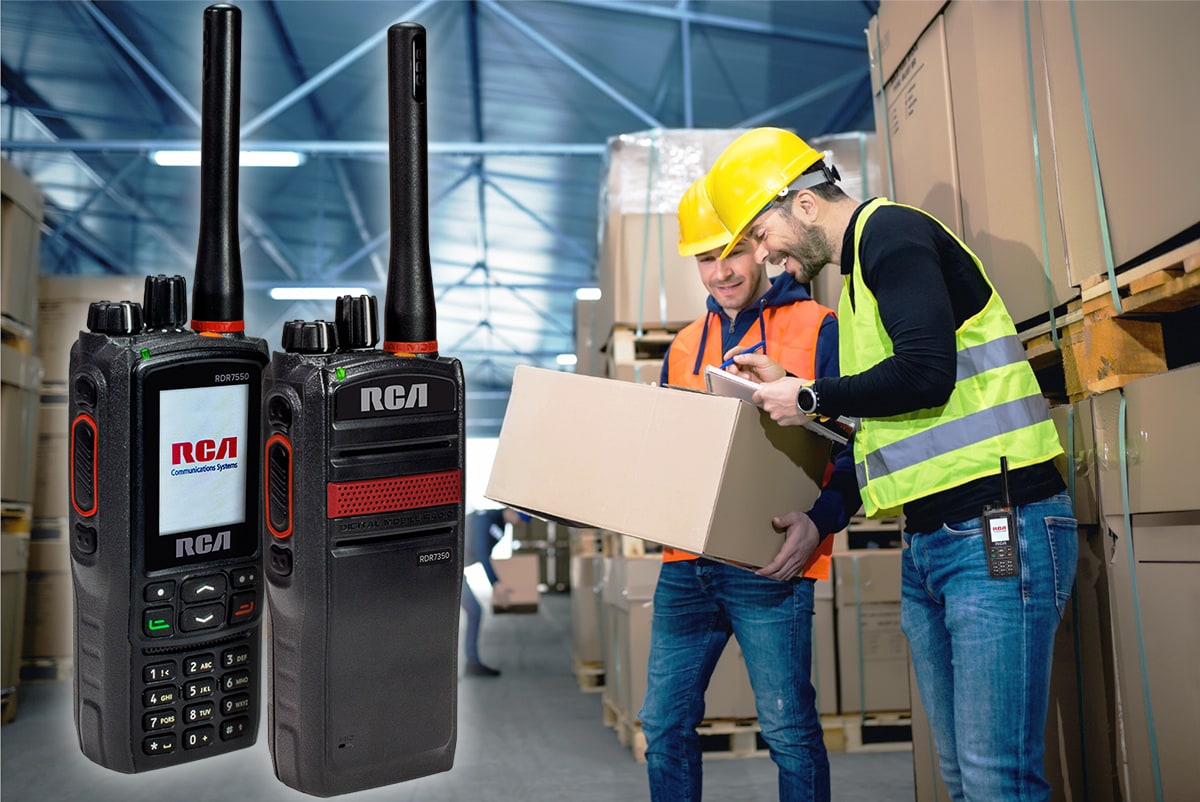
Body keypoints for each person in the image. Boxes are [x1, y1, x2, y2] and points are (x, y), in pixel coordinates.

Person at [706, 127, 1077, 801]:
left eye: (762, 234)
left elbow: (927, 374)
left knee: (998, 782)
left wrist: (812, 393)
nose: (766, 256)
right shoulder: (856, 282)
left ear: (806, 206)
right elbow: (888, 413)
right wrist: (795, 389)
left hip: (998, 525)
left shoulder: (892, 235)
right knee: (963, 779)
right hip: (934, 540)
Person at [637, 175, 861, 802]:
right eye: (706, 258)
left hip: (771, 560)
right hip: (686, 564)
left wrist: (824, 518)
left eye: (733, 250)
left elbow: (853, 444)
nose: (721, 271)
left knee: (787, 731)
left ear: (761, 246)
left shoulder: (819, 326)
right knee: (663, 723)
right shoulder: (683, 346)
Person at [461, 507, 520, 677]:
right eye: (521, 519)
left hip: (457, 571)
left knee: (474, 611)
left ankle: (472, 662)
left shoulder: (500, 526)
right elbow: (482, 553)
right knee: (473, 611)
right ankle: (471, 663)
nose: (522, 524)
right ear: (511, 511)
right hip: (447, 570)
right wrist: (496, 583)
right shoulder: (484, 519)